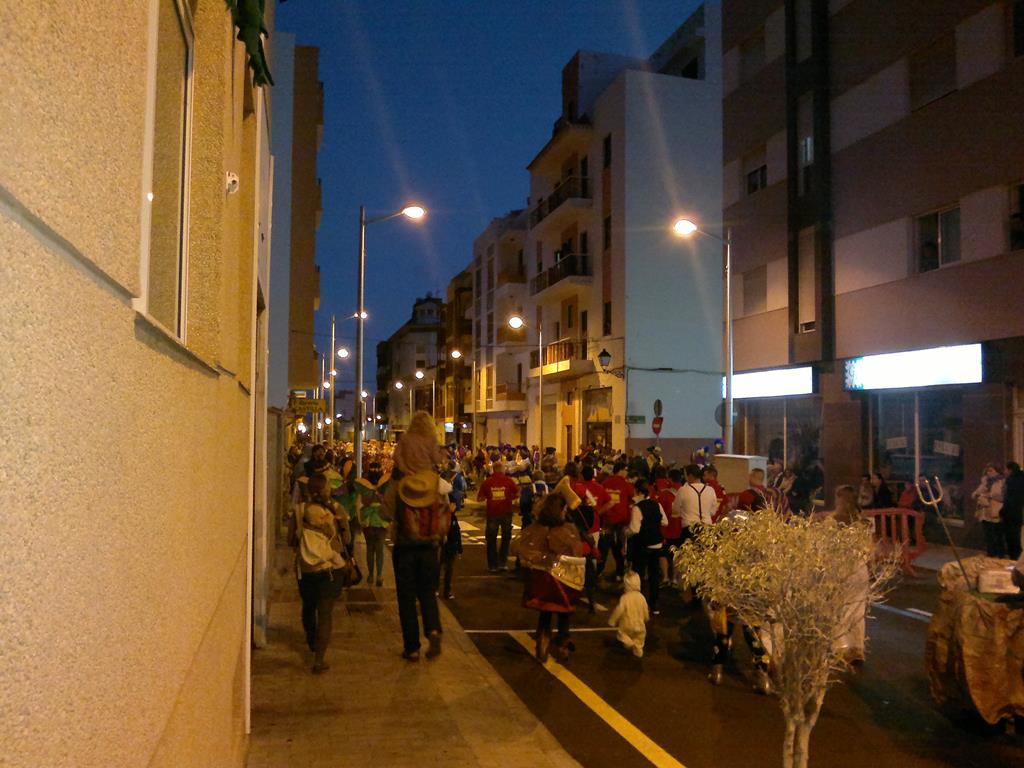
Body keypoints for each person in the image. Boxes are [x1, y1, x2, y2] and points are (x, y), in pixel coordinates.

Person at [380, 469, 452, 660]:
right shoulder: (435, 483)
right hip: (430, 547)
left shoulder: (398, 485)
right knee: (428, 592)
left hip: (405, 547)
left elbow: (385, 513)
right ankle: (433, 629)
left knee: (406, 598)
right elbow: (446, 509)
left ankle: (412, 648)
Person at [289, 473, 352, 674]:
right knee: (325, 614)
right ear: (326, 490)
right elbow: (347, 539)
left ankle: (311, 640)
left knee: (308, 607)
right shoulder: (336, 510)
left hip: (306, 570)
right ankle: (319, 659)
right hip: (330, 570)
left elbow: (291, 540)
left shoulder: (299, 511)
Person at [513, 494, 585, 662]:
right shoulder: (566, 530)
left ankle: (543, 637)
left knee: (545, 611)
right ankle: (563, 640)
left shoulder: (536, 528)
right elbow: (576, 552)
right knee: (564, 610)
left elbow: (518, 545)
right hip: (561, 580)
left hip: (542, 580)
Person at [627, 478, 667, 615]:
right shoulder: (657, 505)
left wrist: (626, 532)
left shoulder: (638, 508)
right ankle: (654, 604)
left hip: (642, 545)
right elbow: (665, 522)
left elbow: (635, 529)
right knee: (654, 575)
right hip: (657, 544)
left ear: (637, 491)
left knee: (639, 574)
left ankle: (639, 604)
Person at [477, 461, 520, 572]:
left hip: (492, 513)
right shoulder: (509, 481)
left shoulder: (487, 482)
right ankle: (502, 562)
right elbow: (518, 493)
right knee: (506, 538)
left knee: (491, 539)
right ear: (502, 469)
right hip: (506, 511)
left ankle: (492, 565)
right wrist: (509, 497)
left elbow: (480, 498)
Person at [600, 461, 634, 581]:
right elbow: (632, 496)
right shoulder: (626, 484)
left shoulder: (605, 483)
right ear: (620, 470)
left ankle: (599, 571)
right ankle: (619, 572)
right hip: (621, 520)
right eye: (626, 470)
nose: (627, 473)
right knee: (620, 548)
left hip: (607, 520)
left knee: (604, 547)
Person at [355, 462, 388, 587]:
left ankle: (370, 575)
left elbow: (358, 504)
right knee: (380, 550)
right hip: (381, 521)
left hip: (367, 520)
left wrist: (359, 520)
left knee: (370, 549)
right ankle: (379, 575)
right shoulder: (384, 487)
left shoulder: (363, 486)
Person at [608, 571, 649, 658]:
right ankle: (638, 648)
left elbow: (619, 610)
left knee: (622, 634)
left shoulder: (625, 598)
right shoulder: (642, 598)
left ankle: (629, 643)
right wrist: (646, 618)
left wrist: (612, 621)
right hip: (640, 624)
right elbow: (645, 610)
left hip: (627, 623)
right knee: (640, 638)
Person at [971, 464, 1006, 558]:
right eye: (987, 471)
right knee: (988, 535)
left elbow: (1003, 497)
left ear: (997, 471)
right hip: (985, 512)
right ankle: (991, 553)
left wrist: (990, 495)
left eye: (991, 470)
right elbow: (975, 493)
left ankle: (1000, 555)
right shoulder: (985, 482)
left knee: (998, 535)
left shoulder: (1002, 482)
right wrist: (977, 494)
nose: (989, 473)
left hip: (996, 512)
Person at [1002, 461, 1024, 560]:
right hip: (1016, 514)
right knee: (1015, 538)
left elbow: (1010, 500)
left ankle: (1014, 559)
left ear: (1010, 470)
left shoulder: (1012, 481)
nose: (1004, 472)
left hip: (1012, 515)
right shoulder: (1018, 480)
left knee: (1012, 539)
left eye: (1005, 469)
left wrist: (1004, 511)